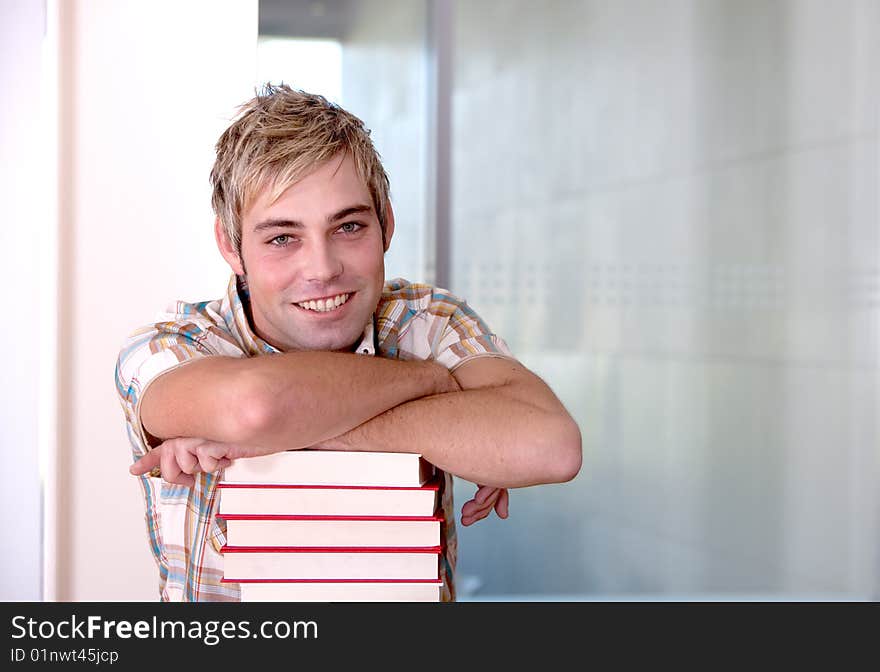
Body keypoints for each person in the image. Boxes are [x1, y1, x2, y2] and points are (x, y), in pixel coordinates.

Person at [115, 83, 582, 602]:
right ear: (231, 245)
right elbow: (257, 407)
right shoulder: (177, 345)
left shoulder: (426, 321)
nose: (322, 269)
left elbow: (550, 447)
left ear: (386, 222)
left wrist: (289, 430)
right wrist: (433, 386)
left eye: (349, 227)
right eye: (282, 238)